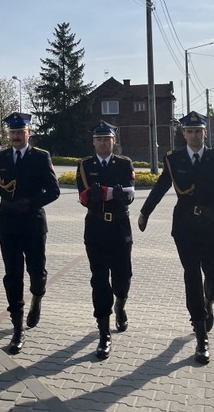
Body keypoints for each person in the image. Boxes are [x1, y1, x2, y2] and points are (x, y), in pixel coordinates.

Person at [138, 111, 214, 364]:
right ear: (183, 134)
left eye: (198, 131)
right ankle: (201, 334)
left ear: (205, 133)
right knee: (192, 276)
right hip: (185, 227)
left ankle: (209, 300)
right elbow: (161, 186)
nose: (194, 136)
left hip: (212, 226)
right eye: (190, 131)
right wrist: (145, 212)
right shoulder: (173, 159)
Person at [0, 112, 60, 354]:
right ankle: (17, 328)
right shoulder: (0, 158)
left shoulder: (41, 157)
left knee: (37, 271)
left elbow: (54, 191)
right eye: (13, 133)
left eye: (20, 132)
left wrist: (31, 203)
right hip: (7, 224)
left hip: (33, 223)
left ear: (29, 133)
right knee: (12, 276)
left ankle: (37, 298)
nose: (16, 136)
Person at [75, 121, 136, 359]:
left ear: (114, 141)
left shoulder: (124, 163)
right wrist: (96, 197)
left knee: (123, 277)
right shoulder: (84, 166)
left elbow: (130, 194)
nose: (103, 143)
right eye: (99, 139)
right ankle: (103, 332)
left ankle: (120, 304)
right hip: (96, 227)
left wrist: (117, 195)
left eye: (107, 139)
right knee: (99, 280)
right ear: (93, 142)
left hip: (120, 227)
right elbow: (83, 197)